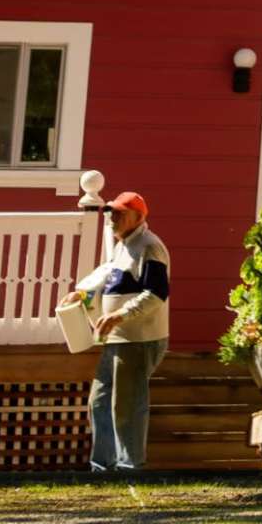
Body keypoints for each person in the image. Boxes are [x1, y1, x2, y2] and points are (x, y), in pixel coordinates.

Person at [83, 190, 173, 472]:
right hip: (116, 338)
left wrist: (121, 315)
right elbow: (108, 273)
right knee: (99, 402)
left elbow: (156, 294)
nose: (112, 217)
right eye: (110, 212)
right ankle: (103, 466)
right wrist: (82, 294)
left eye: (120, 212)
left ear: (138, 216)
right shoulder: (122, 245)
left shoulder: (149, 246)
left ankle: (129, 468)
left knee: (127, 406)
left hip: (138, 339)